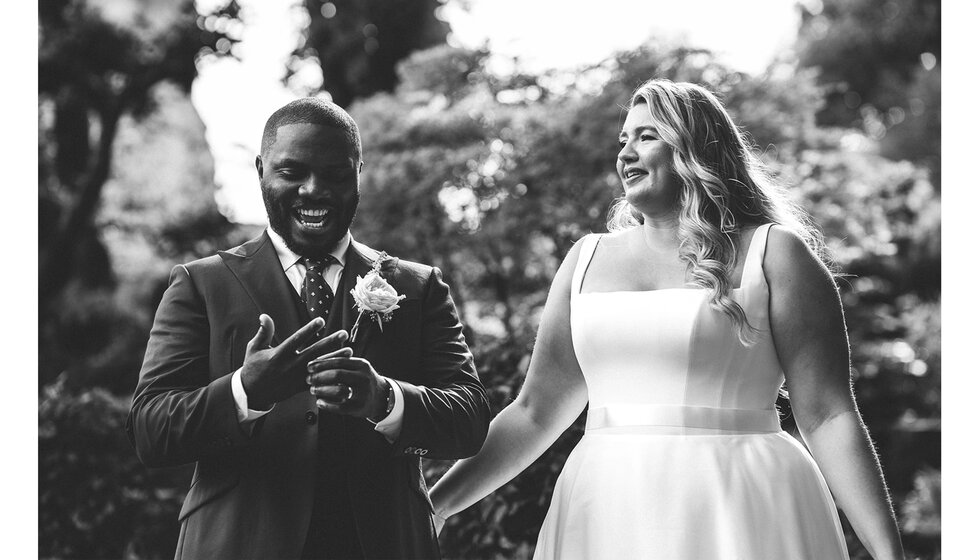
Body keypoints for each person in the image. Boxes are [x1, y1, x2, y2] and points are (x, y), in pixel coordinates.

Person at [429, 79, 905, 559]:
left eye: (646, 136)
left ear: (696, 149)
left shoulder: (774, 254)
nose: (626, 154)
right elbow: (534, 413)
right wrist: (437, 506)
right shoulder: (584, 260)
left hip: (743, 502)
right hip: (607, 510)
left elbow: (828, 415)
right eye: (623, 140)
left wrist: (889, 552)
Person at [127, 97, 490, 560]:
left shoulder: (417, 287)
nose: (313, 190)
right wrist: (245, 393)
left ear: (359, 171)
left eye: (336, 174)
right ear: (261, 170)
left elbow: (471, 420)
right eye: (292, 172)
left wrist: (385, 399)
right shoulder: (201, 284)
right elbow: (150, 429)